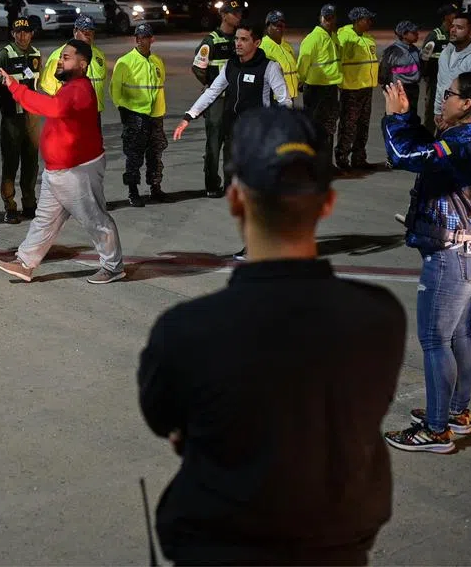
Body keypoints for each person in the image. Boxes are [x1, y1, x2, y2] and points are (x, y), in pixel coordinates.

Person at [139, 106, 405, 565]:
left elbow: (165, 418)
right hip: (338, 549)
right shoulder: (379, 316)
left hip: (220, 549)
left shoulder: (186, 331)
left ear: (236, 199)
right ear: (327, 202)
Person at [382, 72, 471, 453]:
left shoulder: (462, 142)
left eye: (450, 94)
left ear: (467, 104)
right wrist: (410, 120)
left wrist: (393, 118)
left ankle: (436, 430)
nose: (444, 99)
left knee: (434, 340)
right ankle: (456, 414)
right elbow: (431, 157)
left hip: (450, 256)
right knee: (460, 334)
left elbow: (405, 156)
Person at [0, 39, 125, 284]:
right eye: (60, 57)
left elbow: (52, 108)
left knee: (95, 219)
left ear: (83, 64)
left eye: (66, 57)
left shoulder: (80, 89)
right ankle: (25, 263)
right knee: (44, 219)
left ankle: (113, 267)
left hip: (78, 171)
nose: (59, 61)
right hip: (57, 171)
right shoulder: (68, 88)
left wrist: (16, 88)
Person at [173, 24, 291, 255]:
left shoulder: (269, 68)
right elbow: (212, 92)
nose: (238, 43)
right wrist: (189, 116)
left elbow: (285, 100)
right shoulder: (231, 66)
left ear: (256, 43)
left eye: (244, 39)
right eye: (237, 39)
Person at [0, 17, 42, 224]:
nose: (22, 35)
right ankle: (9, 206)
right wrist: (7, 98)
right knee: (10, 163)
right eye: (18, 32)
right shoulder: (4, 54)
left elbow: (37, 82)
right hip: (11, 118)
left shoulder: (36, 54)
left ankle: (29, 203)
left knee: (31, 162)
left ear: (31, 34)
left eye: (26, 32)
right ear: (13, 34)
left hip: (31, 116)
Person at [110, 22, 168, 207]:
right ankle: (133, 191)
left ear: (152, 39)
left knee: (155, 154)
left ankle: (155, 187)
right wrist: (124, 110)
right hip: (135, 115)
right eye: (139, 37)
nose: (141, 40)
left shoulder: (157, 61)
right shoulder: (126, 62)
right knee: (134, 156)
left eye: (145, 37)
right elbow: (115, 90)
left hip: (155, 116)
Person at [191, 1, 243, 197]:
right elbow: (197, 68)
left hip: (235, 100)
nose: (238, 16)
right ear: (224, 15)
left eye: (239, 13)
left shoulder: (239, 39)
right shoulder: (211, 41)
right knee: (214, 144)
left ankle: (230, 185)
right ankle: (212, 185)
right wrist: (212, 86)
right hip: (217, 102)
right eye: (234, 13)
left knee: (233, 144)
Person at [296, 4, 342, 160]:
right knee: (314, 128)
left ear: (335, 18)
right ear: (321, 18)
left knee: (329, 127)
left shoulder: (333, 36)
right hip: (316, 89)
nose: (329, 20)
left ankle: (326, 164)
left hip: (330, 87)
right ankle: (313, 165)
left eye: (331, 17)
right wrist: (300, 80)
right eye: (326, 17)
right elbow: (303, 62)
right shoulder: (313, 38)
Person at [336, 7, 379, 172]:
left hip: (366, 89)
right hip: (351, 89)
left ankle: (359, 158)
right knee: (348, 126)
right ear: (357, 20)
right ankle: (342, 160)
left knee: (363, 125)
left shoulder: (368, 39)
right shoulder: (345, 38)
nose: (370, 22)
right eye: (366, 19)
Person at [433, 12, 471, 128]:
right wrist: (438, 110)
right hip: (446, 119)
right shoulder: (446, 53)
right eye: (453, 26)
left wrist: (454, 118)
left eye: (459, 28)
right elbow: (441, 85)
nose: (453, 30)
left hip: (465, 124)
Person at [39, 15, 107, 112]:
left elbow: (101, 79)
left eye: (91, 32)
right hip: (72, 112)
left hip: (94, 111)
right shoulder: (59, 55)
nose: (88, 35)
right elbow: (47, 84)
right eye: (84, 32)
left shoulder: (98, 54)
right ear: (75, 32)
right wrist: (65, 101)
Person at [421, 4, 458, 134]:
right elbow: (424, 59)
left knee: (449, 115)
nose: (456, 16)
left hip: (453, 84)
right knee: (432, 115)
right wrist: (428, 78)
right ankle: (428, 145)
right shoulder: (435, 36)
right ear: (447, 17)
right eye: (454, 14)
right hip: (435, 82)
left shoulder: (456, 36)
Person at [379, 20, 422, 115]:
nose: (417, 34)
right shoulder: (392, 51)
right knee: (397, 118)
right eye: (413, 32)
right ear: (404, 35)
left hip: (413, 89)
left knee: (412, 118)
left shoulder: (415, 50)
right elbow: (383, 72)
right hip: (399, 90)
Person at [261, 10, 298, 105]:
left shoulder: (287, 46)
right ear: (268, 26)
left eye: (282, 25)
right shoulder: (263, 47)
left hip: (290, 95)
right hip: (274, 98)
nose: (279, 28)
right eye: (276, 25)